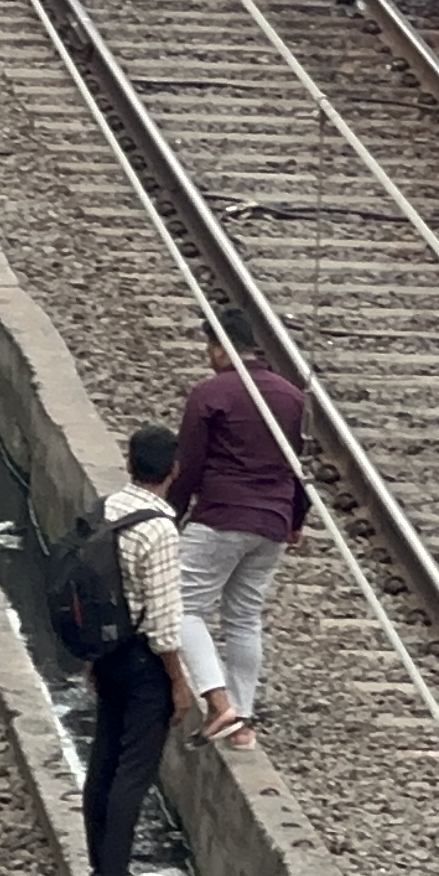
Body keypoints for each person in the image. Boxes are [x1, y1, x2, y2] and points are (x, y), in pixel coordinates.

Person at [171, 311, 310, 750]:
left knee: (180, 607)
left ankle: (218, 704)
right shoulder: (291, 396)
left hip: (221, 517)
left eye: (209, 349)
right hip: (272, 523)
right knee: (244, 616)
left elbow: (189, 465)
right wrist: (296, 519)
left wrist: (170, 515)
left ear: (219, 346)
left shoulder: (211, 394)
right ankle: (243, 723)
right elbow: (298, 463)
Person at [84, 427, 191, 876]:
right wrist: (178, 682)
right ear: (173, 471)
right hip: (144, 662)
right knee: (133, 774)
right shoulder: (160, 530)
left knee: (103, 759)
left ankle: (102, 871)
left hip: (106, 652)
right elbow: (166, 626)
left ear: (130, 465)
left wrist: (92, 656)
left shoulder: (106, 509)